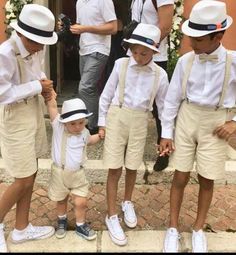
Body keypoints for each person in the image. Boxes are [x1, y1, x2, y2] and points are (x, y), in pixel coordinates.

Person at [160, 1, 236, 252]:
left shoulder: (233, 62)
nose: (192, 43)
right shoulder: (185, 61)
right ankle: (172, 227)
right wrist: (166, 134)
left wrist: (233, 122)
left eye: (199, 39)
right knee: (180, 175)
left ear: (218, 36)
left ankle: (199, 228)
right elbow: (171, 100)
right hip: (187, 116)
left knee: (207, 178)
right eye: (191, 37)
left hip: (216, 122)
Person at [98, 23, 169, 246]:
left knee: (132, 165)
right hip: (117, 115)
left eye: (144, 53)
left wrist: (166, 134)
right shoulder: (121, 65)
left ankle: (127, 201)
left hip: (141, 119)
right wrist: (101, 123)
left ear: (155, 52)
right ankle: (111, 215)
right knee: (114, 166)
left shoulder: (160, 75)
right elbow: (106, 95)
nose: (138, 56)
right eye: (134, 51)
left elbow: (164, 108)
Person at [0, 4, 58, 252]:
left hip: (32, 111)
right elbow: (2, 93)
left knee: (31, 171)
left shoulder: (36, 48)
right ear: (24, 34)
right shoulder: (5, 53)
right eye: (38, 42)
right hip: (14, 116)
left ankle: (21, 228)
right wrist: (38, 87)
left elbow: (37, 72)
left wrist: (45, 85)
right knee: (22, 178)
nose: (42, 47)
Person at [46, 97, 103, 240]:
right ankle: (62, 221)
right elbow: (52, 108)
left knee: (81, 201)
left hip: (78, 174)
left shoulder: (84, 132)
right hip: (59, 173)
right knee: (61, 200)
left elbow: (89, 141)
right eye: (73, 123)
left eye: (81, 122)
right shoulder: (58, 128)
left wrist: (100, 137)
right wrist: (50, 96)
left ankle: (80, 225)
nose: (78, 126)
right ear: (64, 122)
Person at [131, 0, 174, 172]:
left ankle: (164, 150)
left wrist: (147, 47)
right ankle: (131, 147)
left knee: (159, 108)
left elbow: (165, 27)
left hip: (155, 57)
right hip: (136, 56)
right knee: (133, 101)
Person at [69, 0, 117, 135]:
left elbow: (113, 28)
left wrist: (85, 28)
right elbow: (80, 25)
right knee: (90, 89)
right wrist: (71, 27)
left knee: (85, 87)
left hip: (99, 49)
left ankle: (92, 126)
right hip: (84, 49)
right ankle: (93, 122)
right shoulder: (79, 2)